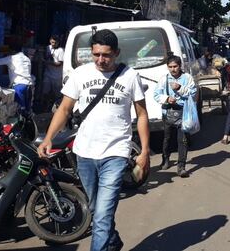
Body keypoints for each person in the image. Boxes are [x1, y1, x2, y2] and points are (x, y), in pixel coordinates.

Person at [38, 29, 150, 251]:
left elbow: (142, 115)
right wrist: (48, 138)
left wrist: (145, 151)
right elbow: (65, 109)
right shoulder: (81, 74)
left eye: (106, 55)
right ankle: (113, 240)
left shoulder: (129, 76)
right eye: (96, 54)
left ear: (116, 53)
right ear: (91, 52)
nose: (101, 60)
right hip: (85, 153)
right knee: (95, 208)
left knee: (101, 216)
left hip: (116, 153)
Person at [154, 55, 196, 177]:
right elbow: (156, 95)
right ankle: (165, 159)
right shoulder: (164, 79)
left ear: (180, 66)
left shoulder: (187, 78)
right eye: (170, 67)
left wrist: (180, 88)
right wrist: (167, 98)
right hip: (168, 113)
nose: (173, 69)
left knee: (182, 140)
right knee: (167, 138)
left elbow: (192, 93)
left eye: (175, 66)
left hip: (183, 113)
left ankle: (181, 166)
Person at [0, 45, 34, 114]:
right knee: (28, 109)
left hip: (19, 87)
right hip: (29, 85)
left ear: (13, 51)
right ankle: (29, 122)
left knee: (20, 110)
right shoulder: (26, 58)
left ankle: (22, 122)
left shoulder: (11, 58)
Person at [41, 35, 65, 110]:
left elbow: (59, 63)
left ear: (58, 42)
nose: (53, 44)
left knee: (57, 94)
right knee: (45, 91)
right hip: (48, 74)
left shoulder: (61, 50)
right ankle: (45, 106)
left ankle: (56, 107)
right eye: (52, 42)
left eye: (55, 43)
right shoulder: (48, 48)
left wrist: (48, 62)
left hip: (57, 76)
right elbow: (45, 56)